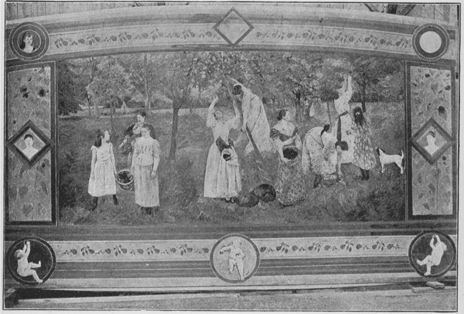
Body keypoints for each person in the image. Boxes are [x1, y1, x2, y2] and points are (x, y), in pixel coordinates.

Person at [204, 95, 242, 200]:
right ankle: (214, 192)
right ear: (215, 116)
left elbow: (237, 117)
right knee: (215, 170)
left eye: (220, 112)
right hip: (217, 148)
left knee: (227, 171)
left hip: (226, 149)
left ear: (222, 115)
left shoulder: (227, 124)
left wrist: (235, 104)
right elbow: (210, 109)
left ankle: (226, 192)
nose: (218, 113)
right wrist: (215, 100)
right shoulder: (214, 124)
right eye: (216, 113)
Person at [270, 109, 306, 206]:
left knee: (296, 176)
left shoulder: (293, 127)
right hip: (284, 155)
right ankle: (283, 200)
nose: (290, 115)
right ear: (283, 116)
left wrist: (298, 147)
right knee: (284, 177)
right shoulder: (276, 128)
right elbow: (278, 145)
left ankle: (296, 197)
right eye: (288, 114)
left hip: (294, 154)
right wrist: (282, 156)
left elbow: (298, 141)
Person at [231, 81, 273, 155]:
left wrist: (244, 124)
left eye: (238, 95)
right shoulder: (239, 88)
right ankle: (241, 142)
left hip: (255, 105)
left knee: (255, 125)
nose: (237, 97)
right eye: (235, 95)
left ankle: (255, 145)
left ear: (240, 93)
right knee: (250, 126)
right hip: (252, 107)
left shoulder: (245, 96)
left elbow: (245, 110)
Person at [131, 125, 160, 214]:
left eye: (145, 132)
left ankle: (150, 206)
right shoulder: (138, 141)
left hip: (149, 167)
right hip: (139, 166)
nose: (143, 134)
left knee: (149, 187)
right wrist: (133, 166)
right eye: (142, 132)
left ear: (149, 132)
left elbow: (156, 157)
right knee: (140, 186)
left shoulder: (153, 142)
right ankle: (142, 204)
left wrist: (154, 170)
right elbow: (135, 154)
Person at [88, 129, 118, 211]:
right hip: (99, 168)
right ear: (102, 137)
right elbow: (93, 160)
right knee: (98, 184)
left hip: (108, 167)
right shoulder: (95, 148)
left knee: (110, 182)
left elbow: (112, 158)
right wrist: (93, 172)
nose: (109, 136)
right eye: (108, 134)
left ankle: (114, 197)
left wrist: (114, 170)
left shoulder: (109, 145)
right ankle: (95, 201)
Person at [352, 107, 377, 180]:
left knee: (367, 158)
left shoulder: (365, 121)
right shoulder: (355, 123)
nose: (357, 115)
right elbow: (354, 131)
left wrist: (366, 135)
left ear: (361, 113)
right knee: (360, 159)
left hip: (366, 142)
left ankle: (367, 175)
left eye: (358, 113)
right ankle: (363, 175)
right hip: (359, 143)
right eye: (356, 114)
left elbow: (369, 129)